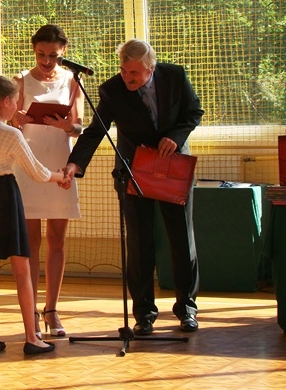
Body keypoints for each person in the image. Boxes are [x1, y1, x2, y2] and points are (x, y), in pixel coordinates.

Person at [63, 39, 204, 334]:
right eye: (124, 71)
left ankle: (187, 309)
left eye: (134, 73)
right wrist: (75, 163)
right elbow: (96, 130)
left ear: (150, 69)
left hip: (173, 166)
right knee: (139, 244)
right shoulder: (112, 90)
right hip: (134, 170)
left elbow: (193, 112)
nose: (127, 77)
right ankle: (144, 314)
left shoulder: (175, 76)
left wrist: (176, 137)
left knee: (181, 238)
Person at [0, 75, 71, 355]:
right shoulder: (11, 134)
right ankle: (32, 338)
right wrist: (61, 177)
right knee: (21, 268)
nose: (19, 106)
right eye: (17, 100)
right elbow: (37, 172)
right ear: (6, 102)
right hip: (5, 197)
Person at [10, 24, 83, 338]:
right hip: (27, 166)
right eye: (41, 54)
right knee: (30, 243)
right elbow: (8, 123)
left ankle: (52, 310)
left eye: (53, 55)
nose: (46, 60)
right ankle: (31, 314)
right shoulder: (20, 81)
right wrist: (17, 119)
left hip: (59, 165)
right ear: (34, 50)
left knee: (57, 240)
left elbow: (79, 127)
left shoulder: (72, 80)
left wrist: (67, 126)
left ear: (63, 51)